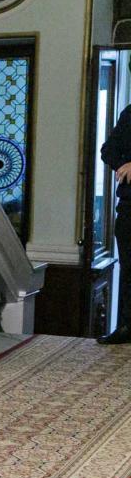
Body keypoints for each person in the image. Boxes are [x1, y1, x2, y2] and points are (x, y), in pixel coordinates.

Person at [99, 101, 131, 344]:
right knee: (129, 268)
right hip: (129, 206)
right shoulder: (130, 113)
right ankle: (127, 326)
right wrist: (122, 165)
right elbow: (107, 150)